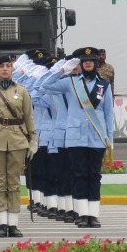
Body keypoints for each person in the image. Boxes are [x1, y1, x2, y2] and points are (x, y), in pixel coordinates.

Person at [42, 47, 113, 228]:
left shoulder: (104, 85)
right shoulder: (70, 82)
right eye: (84, 60)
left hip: (97, 136)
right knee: (78, 175)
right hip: (75, 138)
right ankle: (82, 214)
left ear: (96, 63)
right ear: (80, 63)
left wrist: (109, 140)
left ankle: (93, 215)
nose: (88, 63)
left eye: (91, 60)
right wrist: (64, 68)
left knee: (94, 176)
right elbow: (46, 85)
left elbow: (108, 114)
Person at [0, 54, 37, 238]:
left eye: (8, 65)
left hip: (17, 139)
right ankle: (2, 223)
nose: (5, 69)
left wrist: (33, 140)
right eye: (1, 66)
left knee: (13, 182)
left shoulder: (21, 91)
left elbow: (29, 117)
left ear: (12, 69)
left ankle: (13, 223)